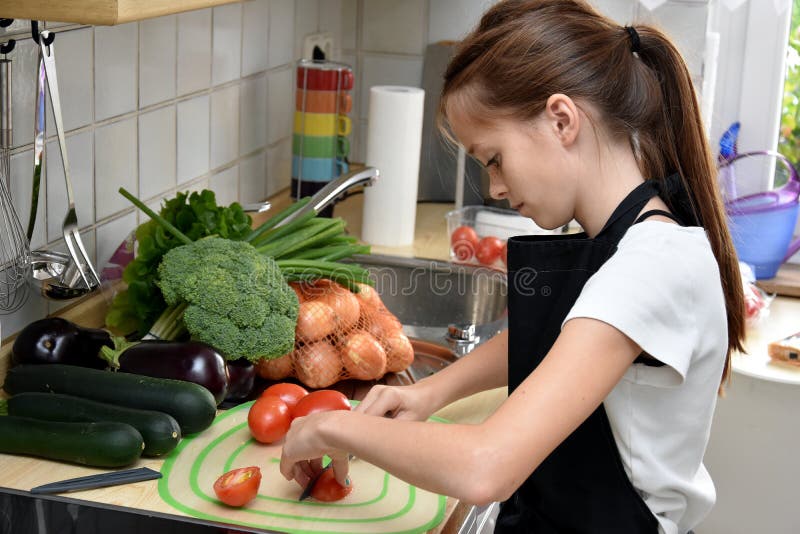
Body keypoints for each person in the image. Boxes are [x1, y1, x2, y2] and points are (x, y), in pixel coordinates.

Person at [279, 1, 746, 532]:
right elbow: (564, 340)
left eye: (494, 158)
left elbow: (487, 468)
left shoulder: (649, 268)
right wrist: (429, 392)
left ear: (562, 119)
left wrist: (334, 430)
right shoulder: (633, 232)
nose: (495, 187)